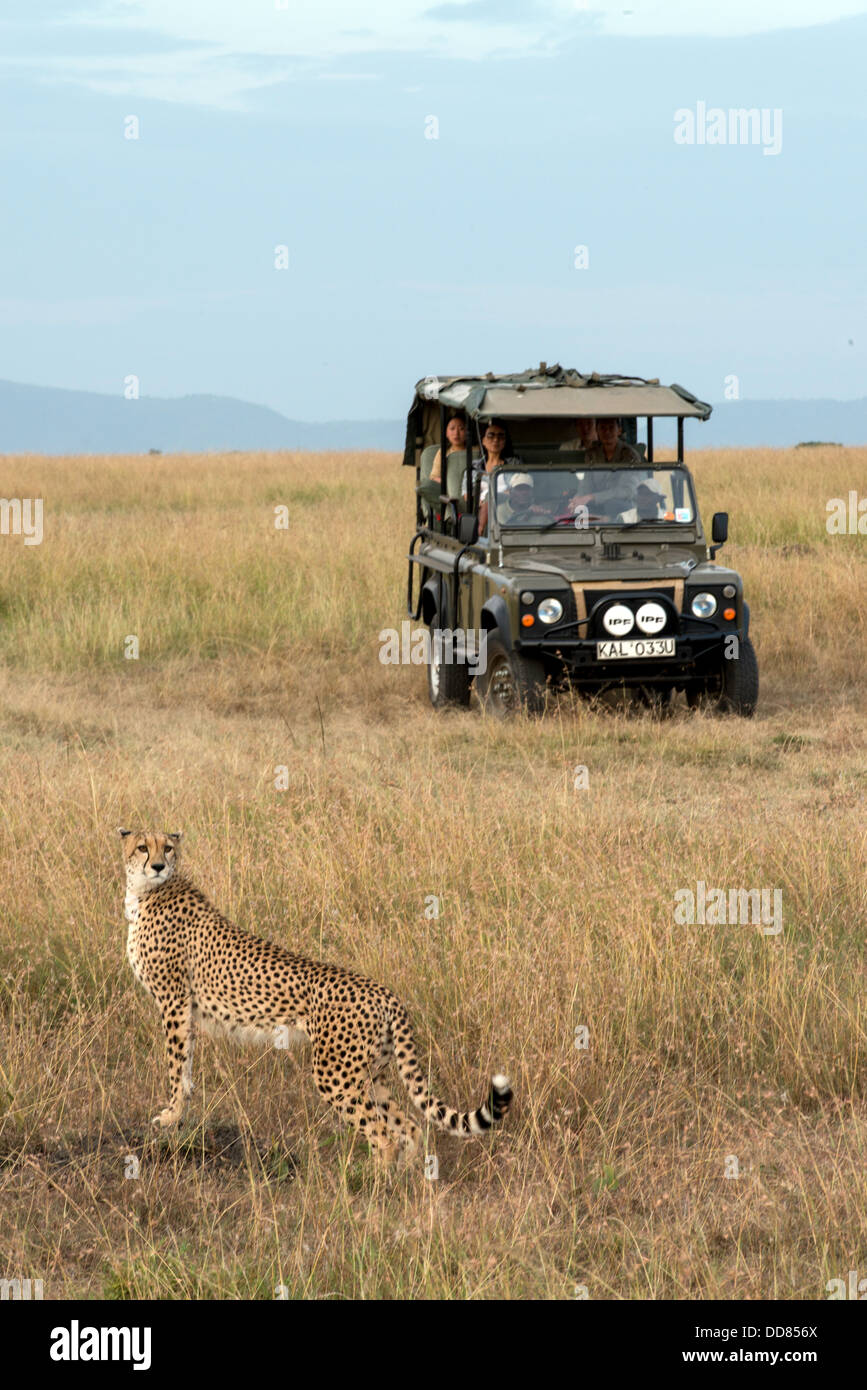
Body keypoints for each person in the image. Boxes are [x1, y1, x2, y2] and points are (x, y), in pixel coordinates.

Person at [475, 420, 522, 532]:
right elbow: (467, 492)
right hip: (478, 506)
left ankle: (479, 530)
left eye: (500, 436)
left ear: (505, 441)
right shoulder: (475, 466)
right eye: (491, 436)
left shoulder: (514, 463)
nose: (496, 440)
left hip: (507, 503)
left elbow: (518, 486)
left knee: (491, 496)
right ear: (484, 441)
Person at [430, 413, 468, 487]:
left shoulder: (475, 451)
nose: (456, 433)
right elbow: (434, 476)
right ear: (446, 433)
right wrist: (449, 485)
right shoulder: (443, 452)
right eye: (452, 429)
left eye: (461, 429)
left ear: (467, 432)